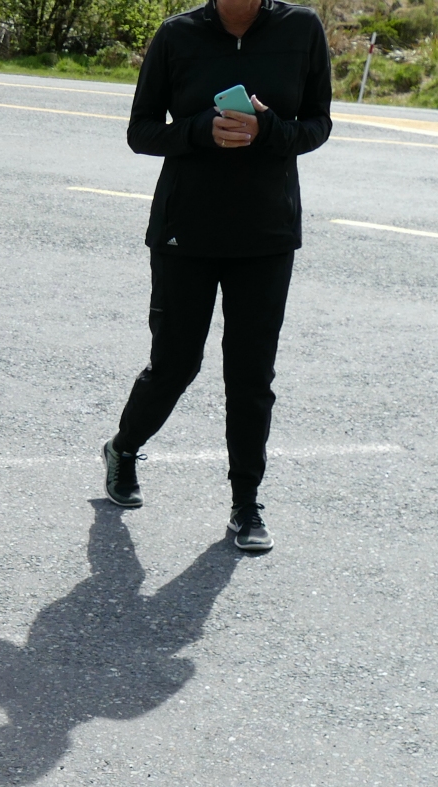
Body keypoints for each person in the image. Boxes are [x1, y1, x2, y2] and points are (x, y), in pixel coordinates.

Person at [102, 0, 332, 553]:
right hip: (187, 230)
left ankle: (245, 503)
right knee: (175, 364)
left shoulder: (301, 29)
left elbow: (319, 124)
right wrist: (202, 131)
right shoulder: (176, 34)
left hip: (266, 235)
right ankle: (123, 449)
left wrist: (269, 129)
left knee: (251, 376)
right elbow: (141, 132)